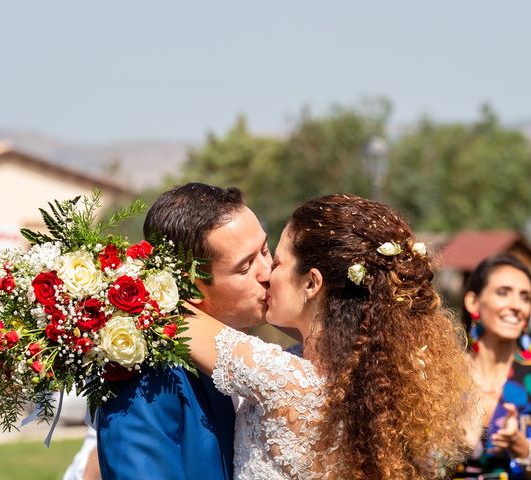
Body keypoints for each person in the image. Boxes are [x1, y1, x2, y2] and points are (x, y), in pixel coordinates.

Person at [183, 194, 473, 479]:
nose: (266, 275)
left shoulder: (286, 382)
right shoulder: (373, 381)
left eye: (277, 262)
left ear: (311, 283)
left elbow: (176, 319)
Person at [97, 183, 272, 479]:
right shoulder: (147, 381)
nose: (267, 272)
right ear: (190, 286)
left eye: (266, 250)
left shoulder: (249, 352)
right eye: (245, 267)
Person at [454, 254, 531, 479]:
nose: (516, 306)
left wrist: (521, 446)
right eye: (503, 292)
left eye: (525, 297)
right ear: (473, 301)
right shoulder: (443, 373)